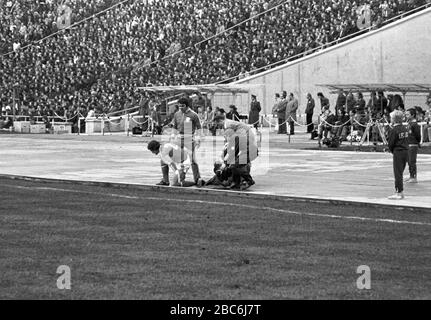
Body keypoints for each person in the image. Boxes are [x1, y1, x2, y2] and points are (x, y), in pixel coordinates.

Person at [213, 115, 258, 190]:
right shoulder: (231, 126)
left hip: (248, 146)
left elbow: (232, 149)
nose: (218, 127)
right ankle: (236, 183)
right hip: (247, 142)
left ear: (220, 121)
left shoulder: (228, 126)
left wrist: (225, 162)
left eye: (217, 124)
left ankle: (247, 180)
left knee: (234, 164)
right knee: (233, 163)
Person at [171, 97, 205, 187]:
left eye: (182, 106)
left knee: (193, 160)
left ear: (186, 106)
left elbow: (199, 128)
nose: (180, 108)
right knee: (179, 159)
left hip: (189, 139)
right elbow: (175, 126)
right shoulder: (177, 114)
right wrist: (173, 136)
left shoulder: (194, 115)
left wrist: (198, 139)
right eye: (179, 106)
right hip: (179, 138)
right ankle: (180, 179)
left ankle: (197, 178)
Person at [387, 110, 409, 200]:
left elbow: (391, 143)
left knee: (398, 173)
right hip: (406, 151)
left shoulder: (394, 130)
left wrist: (392, 150)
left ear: (394, 119)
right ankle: (400, 191)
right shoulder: (405, 128)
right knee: (401, 171)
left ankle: (399, 192)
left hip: (398, 151)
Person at [405, 108, 421, 184]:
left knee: (412, 161)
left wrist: (417, 142)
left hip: (413, 144)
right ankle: (411, 175)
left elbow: (418, 135)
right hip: (408, 144)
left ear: (412, 115)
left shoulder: (415, 125)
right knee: (409, 161)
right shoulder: (409, 123)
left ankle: (414, 177)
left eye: (408, 114)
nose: (406, 115)